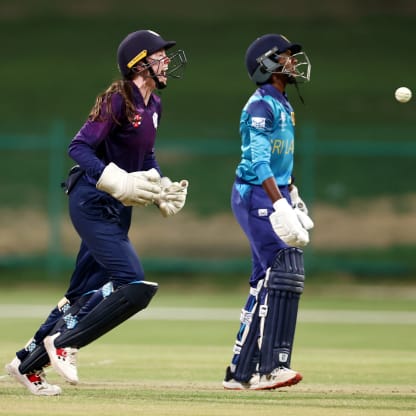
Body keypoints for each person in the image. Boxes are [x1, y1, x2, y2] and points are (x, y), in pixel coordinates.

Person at [5, 29, 189, 396]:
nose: (166, 61)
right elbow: (79, 147)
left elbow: (145, 157)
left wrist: (160, 187)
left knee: (82, 292)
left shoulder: (154, 106)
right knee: (133, 284)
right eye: (159, 55)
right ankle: (64, 343)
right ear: (138, 63)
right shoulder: (117, 99)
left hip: (119, 207)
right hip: (91, 199)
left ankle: (25, 364)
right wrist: (112, 178)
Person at [222, 33, 314, 390]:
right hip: (255, 195)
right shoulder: (260, 105)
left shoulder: (282, 103)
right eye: (286, 56)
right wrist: (279, 203)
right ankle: (269, 369)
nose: (293, 62)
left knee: (268, 275)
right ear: (268, 64)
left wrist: (292, 192)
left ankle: (240, 371)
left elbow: (280, 161)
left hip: (272, 193)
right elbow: (260, 163)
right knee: (283, 268)